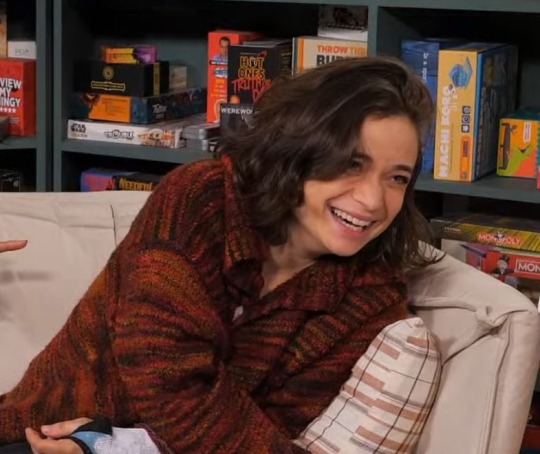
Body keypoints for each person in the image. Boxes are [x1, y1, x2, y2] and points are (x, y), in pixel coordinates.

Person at [0, 56, 438, 453]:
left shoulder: (371, 298)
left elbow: (275, 425)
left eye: (397, 178)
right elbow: (164, 377)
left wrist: (115, 445)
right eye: (352, 164)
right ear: (299, 153)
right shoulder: (201, 198)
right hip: (38, 435)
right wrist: (96, 442)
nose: (372, 200)